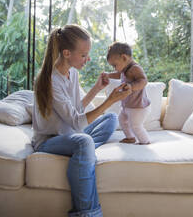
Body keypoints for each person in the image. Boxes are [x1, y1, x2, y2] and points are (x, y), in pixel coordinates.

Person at [32, 24, 132, 217]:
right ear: (67, 53)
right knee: (85, 140)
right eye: (84, 55)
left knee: (110, 118)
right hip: (48, 141)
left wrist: (96, 89)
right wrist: (110, 100)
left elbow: (76, 111)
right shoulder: (51, 80)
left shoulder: (73, 73)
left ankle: (82, 154)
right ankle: (88, 213)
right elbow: (77, 122)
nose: (88, 59)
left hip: (70, 134)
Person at [104, 42, 151, 145]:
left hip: (137, 106)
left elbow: (143, 81)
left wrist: (132, 86)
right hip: (128, 105)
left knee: (136, 125)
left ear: (124, 58)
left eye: (114, 65)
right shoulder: (124, 69)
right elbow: (118, 74)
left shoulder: (135, 68)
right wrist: (108, 75)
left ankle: (145, 141)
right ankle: (130, 138)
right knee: (122, 120)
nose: (114, 68)